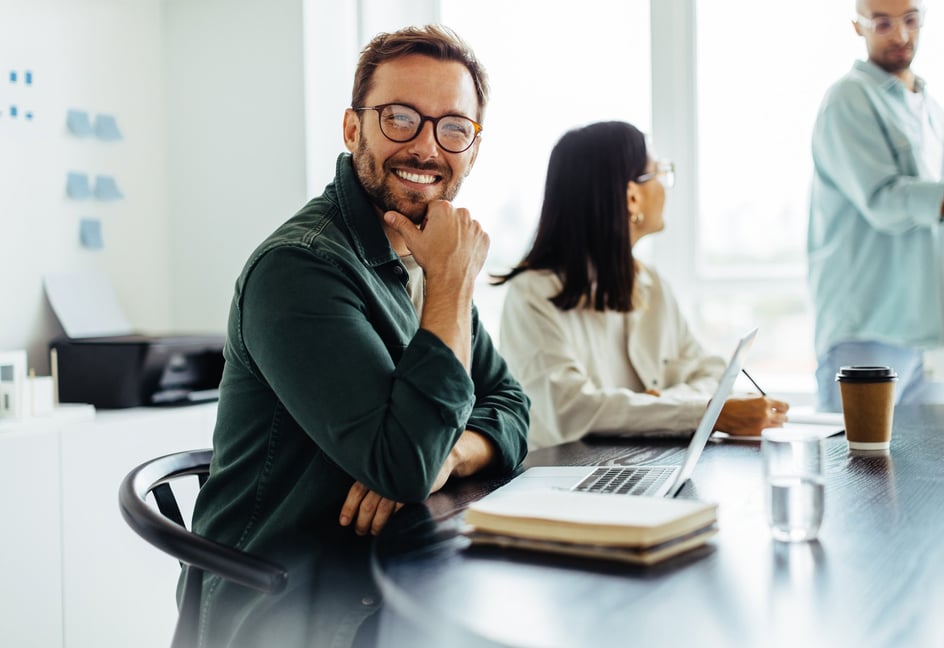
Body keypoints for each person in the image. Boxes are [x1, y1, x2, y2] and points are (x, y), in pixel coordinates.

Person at [187, 25, 530, 648]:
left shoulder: (427, 256)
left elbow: (510, 405)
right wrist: (453, 286)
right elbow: (403, 468)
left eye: (453, 127)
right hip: (291, 604)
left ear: (472, 150)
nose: (427, 148)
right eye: (400, 118)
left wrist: (448, 457)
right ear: (354, 130)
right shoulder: (299, 269)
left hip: (396, 571)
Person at [493, 121, 788, 450]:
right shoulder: (532, 295)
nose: (665, 186)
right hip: (566, 476)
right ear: (632, 197)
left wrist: (663, 402)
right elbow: (572, 409)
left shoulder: (652, 284)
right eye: (659, 172)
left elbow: (711, 373)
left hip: (646, 463)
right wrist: (708, 414)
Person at [808, 0, 944, 411]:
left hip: (927, 333)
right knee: (857, 473)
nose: (900, 35)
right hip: (868, 330)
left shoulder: (933, 109)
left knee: (934, 474)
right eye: (883, 23)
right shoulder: (848, 98)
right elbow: (886, 201)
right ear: (857, 27)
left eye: (911, 20)